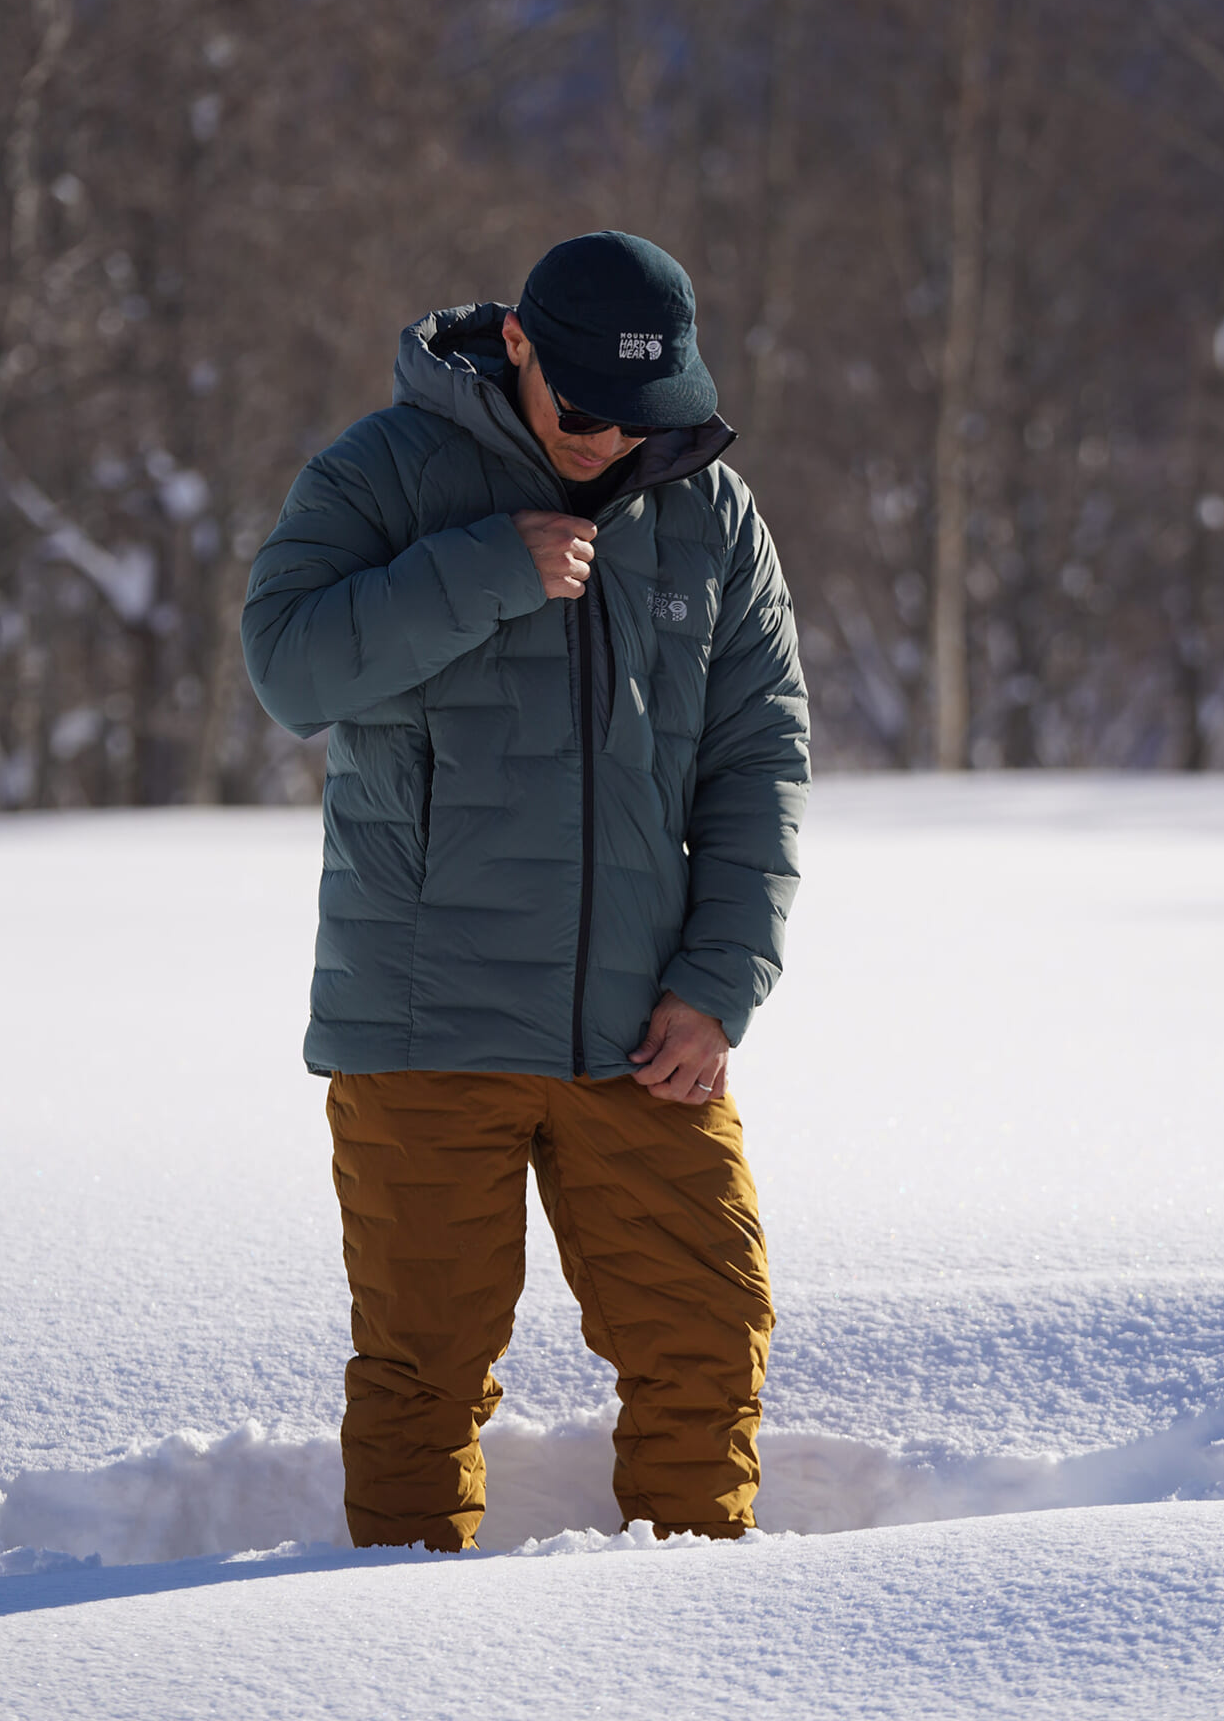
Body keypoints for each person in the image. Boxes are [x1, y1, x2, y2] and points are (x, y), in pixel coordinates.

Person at [241, 230, 810, 1551]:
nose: (610, 440)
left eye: (641, 413)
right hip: (422, 1023)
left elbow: (756, 765)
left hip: (641, 1033)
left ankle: (691, 1648)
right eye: (583, 408)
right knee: (421, 1372)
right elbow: (289, 671)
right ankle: (399, 1661)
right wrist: (490, 569)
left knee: (706, 1342)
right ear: (515, 348)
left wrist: (716, 988)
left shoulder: (711, 516)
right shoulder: (380, 473)